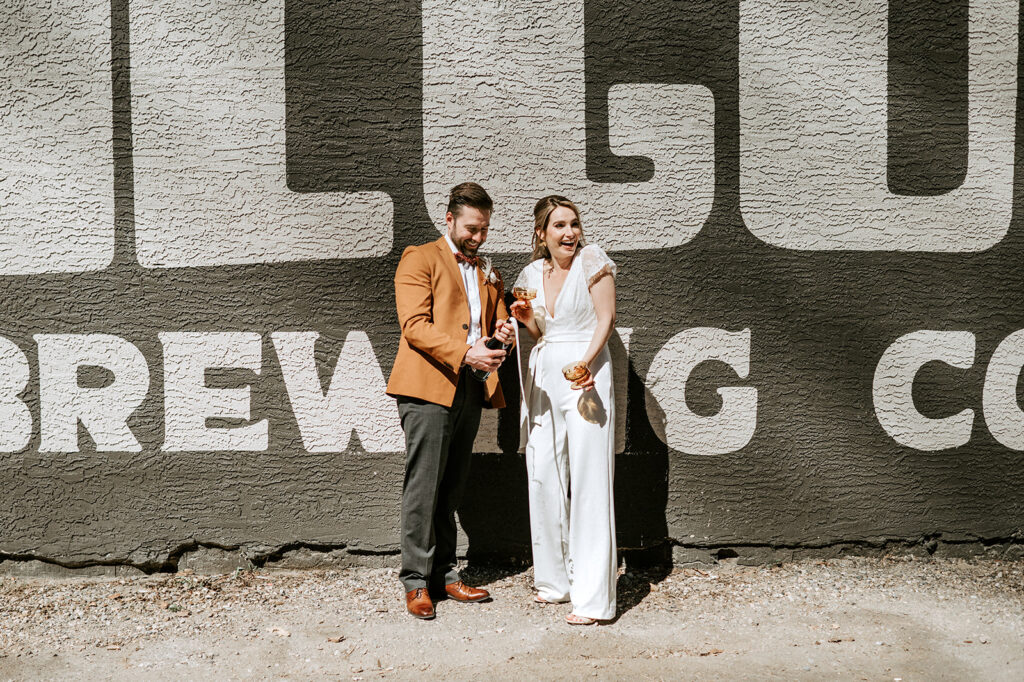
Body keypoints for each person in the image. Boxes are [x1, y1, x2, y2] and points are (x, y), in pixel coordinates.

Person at [386, 182, 515, 620]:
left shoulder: (487, 270)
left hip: (471, 388)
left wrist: (504, 334)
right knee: (424, 486)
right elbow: (414, 326)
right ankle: (415, 582)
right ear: (449, 220)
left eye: (485, 229)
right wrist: (465, 353)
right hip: (427, 388)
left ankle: (444, 573)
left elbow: (492, 325)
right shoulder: (419, 257)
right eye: (472, 228)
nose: (478, 237)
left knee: (452, 486)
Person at [509, 195, 618, 625]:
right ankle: (556, 582)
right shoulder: (532, 274)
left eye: (574, 223)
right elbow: (540, 332)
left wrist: (586, 364)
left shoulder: (592, 260)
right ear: (542, 233)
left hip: (586, 375)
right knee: (543, 474)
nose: (569, 232)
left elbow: (606, 319)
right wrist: (525, 318)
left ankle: (593, 601)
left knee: (590, 479)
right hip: (544, 374)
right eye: (559, 225)